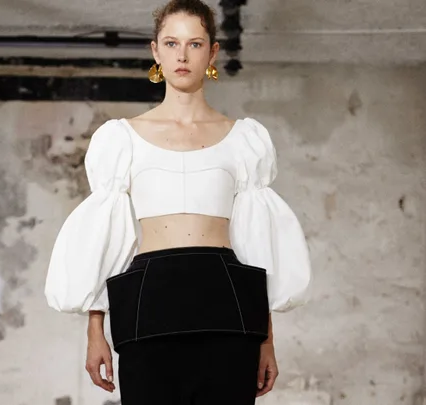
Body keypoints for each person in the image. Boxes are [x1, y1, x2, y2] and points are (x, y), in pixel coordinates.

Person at [44, 0, 312, 404]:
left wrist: (266, 338)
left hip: (227, 302)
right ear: (155, 51)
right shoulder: (122, 139)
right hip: (149, 302)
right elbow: (106, 239)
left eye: (194, 43)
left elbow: (258, 245)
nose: (182, 55)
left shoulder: (243, 140)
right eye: (171, 43)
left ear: (212, 52)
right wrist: (94, 328)